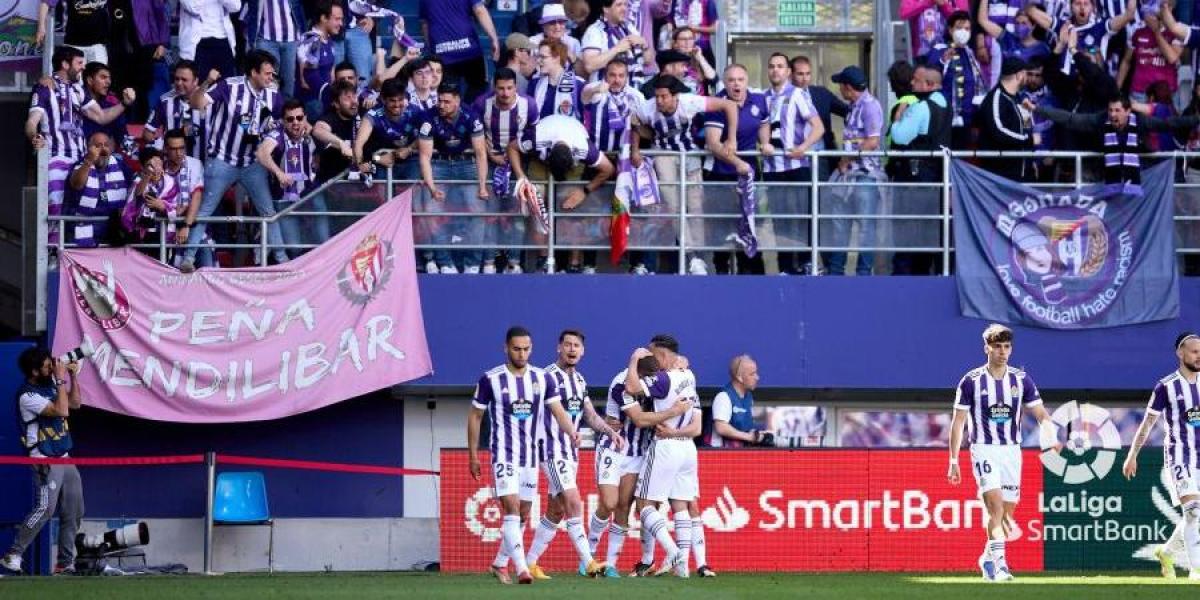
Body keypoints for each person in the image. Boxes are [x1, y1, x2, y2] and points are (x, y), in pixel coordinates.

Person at [466, 326, 580, 585]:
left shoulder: (542, 378)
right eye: (516, 349)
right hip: (504, 455)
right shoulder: (490, 379)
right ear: (506, 348)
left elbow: (558, 410)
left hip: (530, 456)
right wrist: (473, 455)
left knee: (524, 512)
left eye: (526, 349)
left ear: (532, 349)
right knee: (512, 507)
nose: (521, 354)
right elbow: (475, 416)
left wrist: (571, 431)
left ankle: (498, 563)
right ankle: (522, 569)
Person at [947, 324, 1054, 582]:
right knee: (994, 507)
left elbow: (1039, 413)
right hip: (983, 449)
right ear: (987, 348)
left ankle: (987, 558)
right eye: (997, 347)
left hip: (1011, 452)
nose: (1003, 351)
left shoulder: (1021, 379)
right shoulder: (971, 381)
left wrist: (1051, 436)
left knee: (1006, 514)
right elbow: (958, 421)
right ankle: (1001, 565)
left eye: (1007, 347)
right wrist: (953, 460)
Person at [520, 330, 621, 579]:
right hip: (551, 450)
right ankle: (588, 562)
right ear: (559, 348)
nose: (572, 349)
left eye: (577, 345)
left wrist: (610, 432)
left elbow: (590, 415)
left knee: (556, 510)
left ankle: (530, 562)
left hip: (570, 453)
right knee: (574, 501)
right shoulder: (546, 377)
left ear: (582, 351)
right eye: (568, 345)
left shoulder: (580, 381)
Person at [179, 50, 287, 273]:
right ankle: (188, 258)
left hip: (252, 163)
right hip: (222, 160)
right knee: (205, 210)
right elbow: (197, 103)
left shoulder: (274, 95)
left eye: (272, 73)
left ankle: (282, 259)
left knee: (268, 212)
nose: (270, 78)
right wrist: (208, 82)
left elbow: (277, 125)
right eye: (266, 73)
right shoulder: (229, 86)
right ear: (253, 72)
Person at [586, 353, 686, 578]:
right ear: (637, 373)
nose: (649, 382)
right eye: (646, 377)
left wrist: (681, 364)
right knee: (609, 503)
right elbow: (639, 419)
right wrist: (672, 412)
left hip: (636, 453)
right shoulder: (621, 384)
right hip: (612, 448)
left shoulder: (652, 382)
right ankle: (588, 557)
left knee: (624, 507)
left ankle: (610, 564)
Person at [631, 74, 741, 275]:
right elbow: (635, 123)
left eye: (664, 96)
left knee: (695, 205)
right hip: (663, 154)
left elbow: (730, 106)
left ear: (675, 97)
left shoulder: (689, 102)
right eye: (657, 96)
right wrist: (635, 150)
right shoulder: (647, 107)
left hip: (690, 154)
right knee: (674, 206)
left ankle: (698, 257)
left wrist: (731, 139)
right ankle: (691, 255)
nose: (660, 101)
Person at [27, 46, 132, 249]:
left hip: (81, 157)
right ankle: (52, 253)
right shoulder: (45, 87)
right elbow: (32, 122)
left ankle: (84, 248)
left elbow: (101, 116)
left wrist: (124, 105)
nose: (83, 68)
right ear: (65, 64)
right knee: (55, 206)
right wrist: (35, 136)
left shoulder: (79, 90)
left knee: (85, 205)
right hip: (57, 156)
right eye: (79, 63)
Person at [1121, 332, 1200, 581]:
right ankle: (1196, 569)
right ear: (1180, 353)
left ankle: (1166, 553)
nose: (1199, 356)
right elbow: (1147, 423)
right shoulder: (1165, 386)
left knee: (1196, 514)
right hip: (1179, 455)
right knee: (1195, 511)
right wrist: (1132, 454)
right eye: (1194, 351)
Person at [0, 348, 83, 575]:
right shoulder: (27, 395)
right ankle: (13, 554)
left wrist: (73, 376)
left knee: (74, 510)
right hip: (44, 458)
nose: (52, 367)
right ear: (34, 371)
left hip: (64, 456)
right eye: (47, 366)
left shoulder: (50, 386)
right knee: (45, 508)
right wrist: (59, 378)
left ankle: (65, 563)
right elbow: (62, 410)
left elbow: (75, 403)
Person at [622, 335, 701, 577]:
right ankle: (683, 568)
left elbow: (632, 388)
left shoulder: (665, 378)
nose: (652, 361)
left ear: (664, 356)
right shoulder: (689, 375)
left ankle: (673, 550)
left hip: (666, 444)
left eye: (654, 356)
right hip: (687, 446)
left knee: (644, 504)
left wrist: (634, 360)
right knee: (680, 505)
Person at [507, 110, 617, 274]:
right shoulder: (536, 138)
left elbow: (608, 169)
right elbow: (512, 147)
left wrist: (585, 191)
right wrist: (522, 177)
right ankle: (543, 260)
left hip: (571, 166)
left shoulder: (584, 148)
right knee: (536, 205)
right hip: (540, 161)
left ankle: (574, 263)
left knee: (571, 209)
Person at [1031, 95, 1198, 189]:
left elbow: (1169, 124)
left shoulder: (1141, 122)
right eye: (1111, 110)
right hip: (1105, 176)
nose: (1112, 115)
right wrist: (1037, 109)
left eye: (1117, 110)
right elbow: (1070, 119)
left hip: (1137, 177)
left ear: (1128, 111)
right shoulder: (1100, 119)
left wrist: (1197, 119)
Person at [762, 52, 824, 276]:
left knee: (802, 215)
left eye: (780, 66)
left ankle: (807, 262)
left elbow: (818, 127)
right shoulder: (763, 97)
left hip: (797, 167)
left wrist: (803, 148)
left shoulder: (798, 94)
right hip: (771, 168)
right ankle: (785, 267)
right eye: (771, 66)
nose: (775, 70)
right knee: (780, 220)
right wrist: (764, 143)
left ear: (788, 72)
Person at [418, 83, 490, 274]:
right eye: (440, 100)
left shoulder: (471, 117)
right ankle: (445, 263)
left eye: (447, 101)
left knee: (477, 212)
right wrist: (432, 187)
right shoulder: (429, 118)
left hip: (467, 164)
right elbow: (424, 156)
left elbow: (481, 153)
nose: (442, 105)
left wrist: (482, 186)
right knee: (431, 212)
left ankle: (472, 263)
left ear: (457, 101)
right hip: (439, 164)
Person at [472, 69, 538, 274]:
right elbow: (475, 134)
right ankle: (490, 261)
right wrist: (490, 155)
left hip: (519, 165)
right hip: (491, 164)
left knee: (517, 214)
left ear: (516, 87)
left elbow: (534, 136)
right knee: (490, 214)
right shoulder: (482, 104)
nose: (505, 93)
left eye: (509, 88)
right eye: (501, 88)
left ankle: (515, 262)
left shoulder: (529, 105)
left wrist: (516, 156)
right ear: (494, 87)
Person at [889, 64, 951, 276]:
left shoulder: (919, 107)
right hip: (937, 179)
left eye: (916, 80)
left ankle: (902, 283)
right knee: (929, 234)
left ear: (929, 84)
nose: (911, 83)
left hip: (914, 179)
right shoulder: (945, 104)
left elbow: (899, 136)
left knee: (906, 233)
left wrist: (898, 118)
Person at [700, 64, 761, 274]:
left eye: (740, 79)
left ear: (746, 81)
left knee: (750, 224)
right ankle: (722, 275)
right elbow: (713, 143)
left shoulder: (758, 100)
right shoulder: (716, 104)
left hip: (750, 177)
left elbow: (764, 124)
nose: (736, 84)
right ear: (725, 83)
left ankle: (749, 275)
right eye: (732, 80)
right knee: (722, 230)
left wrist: (766, 141)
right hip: (721, 175)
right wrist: (738, 163)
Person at [823, 65, 883, 277]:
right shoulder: (854, 106)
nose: (839, 89)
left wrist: (846, 158)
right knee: (840, 226)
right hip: (848, 175)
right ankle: (836, 270)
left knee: (866, 227)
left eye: (841, 85)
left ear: (848, 87)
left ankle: (863, 273)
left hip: (864, 175)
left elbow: (873, 141)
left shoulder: (869, 106)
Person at [257, 99, 319, 259]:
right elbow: (262, 153)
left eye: (299, 118)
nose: (295, 123)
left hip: (309, 198)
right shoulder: (277, 135)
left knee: (321, 243)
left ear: (305, 118)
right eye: (290, 119)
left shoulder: (312, 134)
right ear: (283, 121)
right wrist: (279, 173)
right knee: (295, 248)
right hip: (284, 202)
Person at [419, 0, 501, 103]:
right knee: (478, 88)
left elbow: (425, 24)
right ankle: (468, 113)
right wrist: (494, 39)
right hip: (469, 49)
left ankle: (459, 112)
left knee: (447, 93)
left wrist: (432, 49)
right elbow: (480, 10)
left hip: (442, 53)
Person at [65, 131, 131, 248]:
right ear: (88, 148)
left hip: (112, 237)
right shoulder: (80, 166)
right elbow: (76, 184)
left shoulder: (121, 167)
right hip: (82, 235)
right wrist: (89, 162)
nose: (102, 149)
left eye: (106, 145)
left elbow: (133, 193)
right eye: (98, 146)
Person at [934, 10, 987, 149]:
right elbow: (931, 75)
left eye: (967, 28)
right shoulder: (939, 49)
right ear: (950, 30)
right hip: (945, 118)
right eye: (959, 28)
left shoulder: (971, 54)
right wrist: (943, 60)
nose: (963, 31)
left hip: (967, 119)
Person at [790, 55, 848, 178]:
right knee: (799, 196)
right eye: (800, 74)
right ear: (791, 75)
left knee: (821, 195)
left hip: (820, 156)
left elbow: (847, 111)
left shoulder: (821, 93)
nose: (805, 78)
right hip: (794, 159)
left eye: (808, 74)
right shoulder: (784, 96)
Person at [976, 58, 1034, 180]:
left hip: (1022, 172)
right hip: (1001, 175)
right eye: (1026, 73)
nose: (1028, 77)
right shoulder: (995, 98)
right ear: (1019, 75)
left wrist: (1030, 161)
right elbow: (999, 131)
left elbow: (1026, 127)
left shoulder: (1019, 98)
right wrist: (1029, 139)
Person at [161, 128, 211, 268]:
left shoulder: (195, 164)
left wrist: (186, 226)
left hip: (193, 225)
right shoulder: (159, 166)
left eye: (181, 148)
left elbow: (197, 196)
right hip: (166, 228)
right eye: (173, 149)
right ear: (165, 149)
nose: (178, 153)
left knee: (208, 270)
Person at [120, 146, 181, 255]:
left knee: (160, 266)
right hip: (139, 234)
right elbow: (137, 196)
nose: (156, 168)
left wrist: (162, 206)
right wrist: (147, 175)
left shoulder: (171, 182)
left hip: (162, 232)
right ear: (143, 167)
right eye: (150, 165)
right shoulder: (138, 181)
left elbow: (177, 207)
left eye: (158, 163)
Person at [144, 60, 207, 162]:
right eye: (176, 79)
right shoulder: (164, 100)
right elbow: (147, 133)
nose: (178, 83)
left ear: (196, 81)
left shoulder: (209, 99)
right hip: (172, 164)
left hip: (203, 162)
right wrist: (158, 145)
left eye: (184, 80)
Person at [1116, 8, 1179, 103]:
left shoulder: (1176, 30)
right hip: (1139, 91)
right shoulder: (1136, 29)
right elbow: (1126, 61)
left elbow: (1172, 58)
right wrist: (1116, 90)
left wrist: (1156, 31)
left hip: (1166, 92)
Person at [580, 0, 650, 85]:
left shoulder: (630, 27)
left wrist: (644, 44)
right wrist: (617, 49)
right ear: (606, 9)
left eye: (625, 5)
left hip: (631, 91)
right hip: (604, 93)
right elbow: (589, 66)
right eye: (619, 5)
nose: (624, 8)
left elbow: (648, 61)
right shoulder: (595, 31)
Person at [298, 1, 345, 119]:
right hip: (311, 102)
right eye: (337, 19)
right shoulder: (311, 40)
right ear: (324, 18)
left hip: (325, 99)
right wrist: (331, 96)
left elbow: (331, 74)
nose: (341, 23)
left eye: (341, 19)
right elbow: (307, 78)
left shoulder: (329, 40)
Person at [249, 0, 305, 98]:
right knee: (267, 83)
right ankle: (267, 112)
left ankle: (286, 112)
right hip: (266, 38)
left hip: (290, 39)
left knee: (288, 85)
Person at [179, 0, 240, 83]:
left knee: (226, 85)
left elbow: (236, 6)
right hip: (197, 42)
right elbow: (193, 7)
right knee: (200, 85)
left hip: (223, 39)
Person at [709, 354, 762, 447]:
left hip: (740, 451)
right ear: (739, 377)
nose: (757, 377)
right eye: (752, 374)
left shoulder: (749, 397)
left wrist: (756, 434)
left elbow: (746, 426)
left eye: (756, 373)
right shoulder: (723, 397)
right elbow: (721, 427)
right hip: (721, 453)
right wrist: (748, 437)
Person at [35, 0, 111, 64]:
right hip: (73, 45)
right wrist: (41, 27)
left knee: (98, 78)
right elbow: (45, 3)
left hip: (98, 46)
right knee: (75, 80)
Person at [530, 39, 587, 120]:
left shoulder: (578, 84)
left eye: (543, 57)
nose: (538, 61)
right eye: (538, 57)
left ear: (556, 58)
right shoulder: (534, 84)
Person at [900, 0, 968, 61]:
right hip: (922, 53)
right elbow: (904, 12)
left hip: (948, 51)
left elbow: (962, 21)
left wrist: (944, 6)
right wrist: (929, 1)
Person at [668, 28, 717, 96]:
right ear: (675, 43)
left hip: (699, 103)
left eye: (690, 38)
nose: (687, 42)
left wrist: (700, 57)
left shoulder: (698, 58)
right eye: (683, 39)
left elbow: (713, 78)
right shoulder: (668, 61)